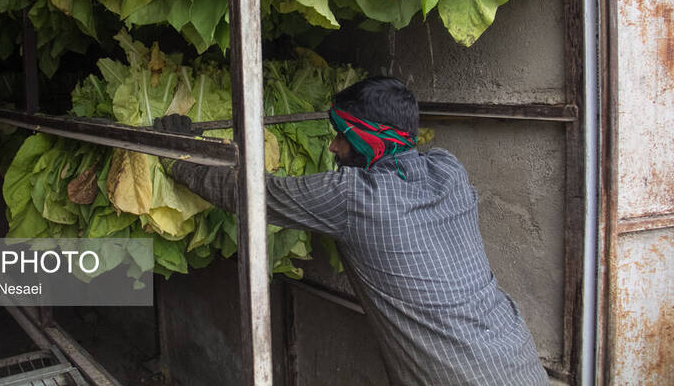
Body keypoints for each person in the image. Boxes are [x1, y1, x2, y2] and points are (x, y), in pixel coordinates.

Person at [157, 76, 547, 385]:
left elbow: (251, 193)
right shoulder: (450, 170)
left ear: (368, 138)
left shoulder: (353, 197)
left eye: (343, 135)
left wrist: (180, 158)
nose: (333, 147)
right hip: (518, 359)